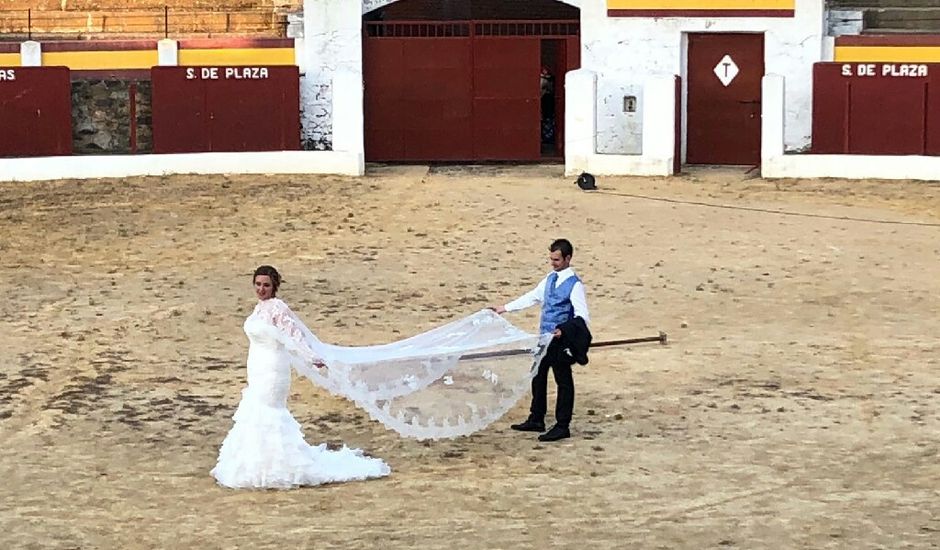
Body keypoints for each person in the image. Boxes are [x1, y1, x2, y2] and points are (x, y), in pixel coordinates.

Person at [210, 265, 391, 489]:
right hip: (258, 367)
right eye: (258, 284)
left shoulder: (278, 308)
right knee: (255, 408)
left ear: (274, 286)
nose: (261, 289)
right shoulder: (259, 309)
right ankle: (256, 464)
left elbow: (294, 335)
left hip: (273, 370)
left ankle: (277, 466)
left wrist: (312, 357)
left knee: (269, 412)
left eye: (266, 285)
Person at [490, 239, 590, 442]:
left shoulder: (575, 285)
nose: (553, 263)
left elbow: (582, 316)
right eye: (551, 259)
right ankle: (537, 418)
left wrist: (564, 330)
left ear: (568, 258)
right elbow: (533, 297)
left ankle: (563, 425)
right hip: (544, 337)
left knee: (563, 381)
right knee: (538, 375)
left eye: (557, 259)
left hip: (561, 341)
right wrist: (505, 308)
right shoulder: (550, 279)